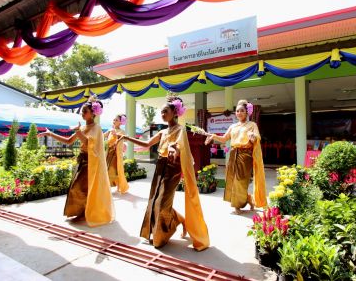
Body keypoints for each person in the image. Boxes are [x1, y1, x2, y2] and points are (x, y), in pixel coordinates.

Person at [122, 95, 209, 251]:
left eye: (165, 111)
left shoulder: (180, 129)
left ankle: (162, 236)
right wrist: (128, 138)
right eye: (161, 112)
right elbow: (148, 144)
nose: (162, 114)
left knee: (161, 202)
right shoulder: (162, 131)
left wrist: (173, 148)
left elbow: (178, 145)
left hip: (173, 168)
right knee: (155, 200)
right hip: (160, 166)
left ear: (175, 112)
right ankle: (178, 219)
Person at [38, 97, 114, 227]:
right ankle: (82, 211)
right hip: (82, 161)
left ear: (93, 113)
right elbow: (68, 141)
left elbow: (89, 143)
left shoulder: (97, 128)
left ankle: (84, 212)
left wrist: (78, 132)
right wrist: (50, 134)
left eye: (85, 111)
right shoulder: (83, 127)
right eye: (82, 111)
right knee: (77, 187)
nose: (82, 113)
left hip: (91, 163)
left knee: (78, 188)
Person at [205, 99, 267, 214]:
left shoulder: (252, 125)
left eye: (242, 110)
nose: (239, 113)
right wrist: (212, 135)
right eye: (237, 111)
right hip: (233, 154)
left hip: (245, 155)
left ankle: (238, 205)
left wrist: (252, 137)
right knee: (232, 180)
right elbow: (224, 138)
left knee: (241, 181)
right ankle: (247, 199)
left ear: (247, 112)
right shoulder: (233, 126)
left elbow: (256, 139)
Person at [104, 114, 129, 194]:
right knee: (107, 170)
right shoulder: (110, 130)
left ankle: (119, 187)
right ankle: (108, 187)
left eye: (116, 120)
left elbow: (124, 140)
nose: (114, 121)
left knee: (116, 171)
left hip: (116, 155)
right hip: (109, 153)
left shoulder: (122, 132)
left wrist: (116, 135)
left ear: (121, 123)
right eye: (114, 120)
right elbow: (102, 136)